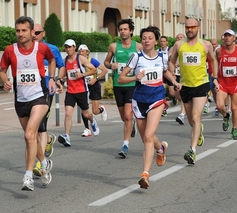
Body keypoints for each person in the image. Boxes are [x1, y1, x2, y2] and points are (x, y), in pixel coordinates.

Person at [0, 16, 58, 191]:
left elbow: (53, 60)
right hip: (21, 99)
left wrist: (52, 79)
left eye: (24, 30)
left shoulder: (42, 48)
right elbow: (2, 71)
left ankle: (27, 177)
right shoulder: (10, 50)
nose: (20, 34)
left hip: (40, 96)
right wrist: (5, 80)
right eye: (18, 30)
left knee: (29, 135)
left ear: (32, 32)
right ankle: (44, 163)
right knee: (30, 138)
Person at [118, 26, 181, 189]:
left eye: (150, 38)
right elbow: (121, 79)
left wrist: (173, 81)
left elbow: (165, 71)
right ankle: (161, 148)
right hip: (139, 100)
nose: (146, 40)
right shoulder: (136, 57)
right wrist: (135, 77)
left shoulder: (162, 56)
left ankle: (145, 175)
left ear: (155, 41)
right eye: (144, 38)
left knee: (147, 136)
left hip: (157, 98)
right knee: (146, 137)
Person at [169, 18, 219, 165]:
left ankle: (192, 151)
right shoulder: (179, 45)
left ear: (198, 27)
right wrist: (173, 77)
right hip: (185, 86)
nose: (189, 29)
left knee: (196, 116)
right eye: (187, 27)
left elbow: (214, 60)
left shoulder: (205, 45)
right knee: (191, 119)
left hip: (201, 85)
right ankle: (199, 131)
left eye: (192, 27)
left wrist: (214, 78)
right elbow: (171, 62)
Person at [104, 18, 143, 158]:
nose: (123, 32)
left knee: (127, 115)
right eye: (120, 29)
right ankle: (130, 125)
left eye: (125, 29)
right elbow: (106, 62)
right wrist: (111, 66)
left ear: (131, 31)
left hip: (132, 85)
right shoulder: (114, 47)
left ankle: (125, 145)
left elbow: (144, 60)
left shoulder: (138, 47)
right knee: (123, 116)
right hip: (118, 84)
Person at [31, 23, 65, 177]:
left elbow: (61, 65)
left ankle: (40, 163)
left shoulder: (51, 49)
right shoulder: (26, 50)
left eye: (37, 32)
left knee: (40, 127)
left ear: (43, 33)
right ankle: (50, 139)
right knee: (33, 128)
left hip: (45, 92)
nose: (34, 35)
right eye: (32, 32)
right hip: (29, 93)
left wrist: (58, 80)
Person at [57, 39, 99, 147]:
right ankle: (67, 136)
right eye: (66, 47)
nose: (68, 49)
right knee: (68, 113)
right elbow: (61, 76)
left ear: (74, 47)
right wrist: (60, 82)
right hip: (70, 91)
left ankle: (92, 121)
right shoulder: (64, 61)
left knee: (86, 114)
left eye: (70, 47)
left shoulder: (80, 58)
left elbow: (94, 70)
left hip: (82, 91)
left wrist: (82, 75)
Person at [78, 44, 108, 137]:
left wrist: (96, 78)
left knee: (94, 111)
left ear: (87, 52)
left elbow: (104, 70)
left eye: (83, 51)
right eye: (79, 51)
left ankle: (101, 109)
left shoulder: (92, 61)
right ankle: (87, 129)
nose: (81, 53)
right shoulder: (78, 62)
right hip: (83, 87)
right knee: (84, 109)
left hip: (94, 86)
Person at [215, 29, 237, 139]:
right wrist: (214, 78)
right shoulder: (219, 51)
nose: (227, 38)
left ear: (234, 38)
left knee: (234, 107)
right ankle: (225, 115)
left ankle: (234, 128)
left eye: (230, 36)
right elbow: (214, 64)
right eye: (226, 36)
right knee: (219, 105)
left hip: (235, 83)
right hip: (223, 82)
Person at [169, 33, 187, 125]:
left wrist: (180, 63)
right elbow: (169, 58)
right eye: (177, 38)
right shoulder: (173, 48)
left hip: (184, 75)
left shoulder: (187, 47)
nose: (179, 39)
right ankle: (187, 106)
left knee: (183, 94)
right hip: (176, 74)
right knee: (176, 94)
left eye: (181, 38)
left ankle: (182, 114)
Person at [157, 36, 171, 117]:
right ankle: (164, 108)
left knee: (172, 92)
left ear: (167, 42)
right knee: (162, 89)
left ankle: (175, 98)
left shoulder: (170, 50)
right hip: (161, 73)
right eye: (161, 41)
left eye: (164, 41)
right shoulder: (157, 51)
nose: (162, 43)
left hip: (169, 72)